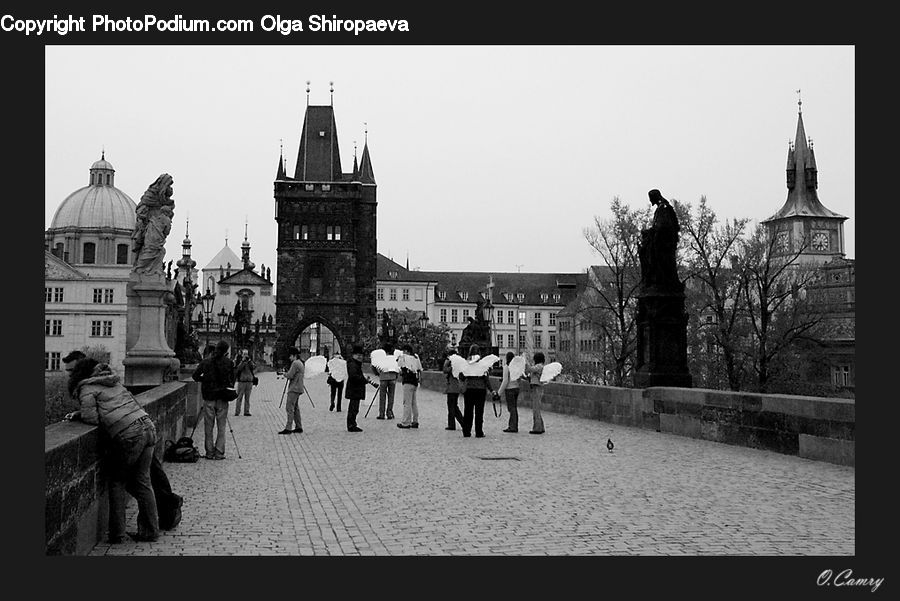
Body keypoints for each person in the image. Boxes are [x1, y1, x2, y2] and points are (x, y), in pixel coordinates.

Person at [62, 351, 182, 533]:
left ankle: (117, 533)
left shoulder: (86, 388)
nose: (69, 375)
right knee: (143, 481)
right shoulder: (113, 381)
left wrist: (81, 415)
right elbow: (114, 405)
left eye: (71, 371)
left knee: (117, 480)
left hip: (130, 433)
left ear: (80, 372)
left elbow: (92, 419)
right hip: (148, 426)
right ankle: (151, 530)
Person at [191, 339, 235, 459]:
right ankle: (219, 452)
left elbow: (195, 376)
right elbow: (232, 381)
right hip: (222, 398)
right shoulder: (229, 363)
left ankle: (209, 452)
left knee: (208, 427)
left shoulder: (206, 362)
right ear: (226, 351)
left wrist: (204, 380)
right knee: (221, 427)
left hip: (209, 397)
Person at [458, 344, 495, 438]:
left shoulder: (466, 363)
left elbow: (461, 377)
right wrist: (491, 390)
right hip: (480, 390)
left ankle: (466, 431)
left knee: (468, 411)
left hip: (469, 390)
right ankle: (479, 432)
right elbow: (486, 379)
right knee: (479, 412)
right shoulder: (482, 364)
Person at [279, 347, 305, 434]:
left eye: (290, 356)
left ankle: (288, 427)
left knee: (289, 407)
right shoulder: (300, 363)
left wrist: (284, 374)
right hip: (299, 387)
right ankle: (298, 426)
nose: (289, 358)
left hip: (294, 388)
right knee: (296, 408)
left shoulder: (295, 363)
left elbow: (290, 375)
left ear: (294, 355)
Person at [396, 344, 423, 429]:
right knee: (413, 402)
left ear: (407, 351)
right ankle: (415, 421)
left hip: (407, 381)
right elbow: (419, 369)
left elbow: (400, 367)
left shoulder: (404, 357)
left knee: (406, 402)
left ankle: (406, 422)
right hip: (414, 382)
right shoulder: (416, 357)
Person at [344, 345, 368, 432]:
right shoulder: (353, 364)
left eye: (361, 355)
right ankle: (351, 425)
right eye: (358, 355)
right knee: (353, 408)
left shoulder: (355, 364)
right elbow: (354, 376)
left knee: (354, 408)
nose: (360, 357)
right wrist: (364, 380)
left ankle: (352, 424)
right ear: (353, 355)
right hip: (354, 389)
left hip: (355, 389)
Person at [496, 352, 521, 433]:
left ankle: (513, 426)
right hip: (516, 388)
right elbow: (519, 378)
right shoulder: (516, 367)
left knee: (511, 408)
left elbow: (505, 381)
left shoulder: (507, 367)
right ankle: (514, 425)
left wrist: (499, 393)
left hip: (509, 389)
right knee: (514, 408)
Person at [373, 343, 397, 420]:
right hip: (392, 377)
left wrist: (377, 373)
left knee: (382, 396)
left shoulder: (380, 358)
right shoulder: (394, 358)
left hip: (383, 377)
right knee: (391, 396)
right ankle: (389, 412)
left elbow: (373, 366)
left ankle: (381, 413)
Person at [524, 352, 547, 434]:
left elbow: (530, 369)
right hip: (535, 387)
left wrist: (525, 361)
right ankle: (541, 426)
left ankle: (537, 428)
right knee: (536, 408)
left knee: (536, 409)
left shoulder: (539, 366)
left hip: (537, 388)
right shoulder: (539, 366)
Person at [442, 347, 464, 430]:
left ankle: (460, 423)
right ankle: (454, 424)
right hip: (456, 387)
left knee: (452, 407)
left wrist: (447, 362)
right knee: (454, 406)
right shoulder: (458, 364)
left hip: (452, 388)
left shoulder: (453, 365)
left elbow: (444, 369)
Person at [234, 348, 256, 417]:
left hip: (249, 381)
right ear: (242, 354)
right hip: (242, 381)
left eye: (246, 354)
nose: (245, 356)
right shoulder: (239, 360)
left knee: (247, 398)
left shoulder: (250, 361)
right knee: (239, 397)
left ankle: (246, 411)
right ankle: (237, 411)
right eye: (244, 354)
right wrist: (243, 361)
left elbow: (254, 367)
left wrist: (249, 361)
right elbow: (238, 368)